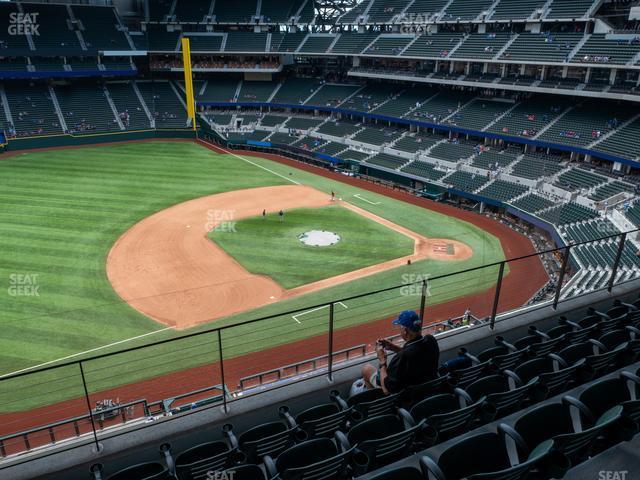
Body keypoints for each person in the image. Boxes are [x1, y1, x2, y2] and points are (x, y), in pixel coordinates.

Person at [360, 310, 439, 395]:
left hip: (408, 397)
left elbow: (387, 389)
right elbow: (415, 353)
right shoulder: (430, 340)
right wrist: (393, 348)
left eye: (400, 327)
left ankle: (378, 401)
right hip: (428, 388)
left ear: (405, 331)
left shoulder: (403, 356)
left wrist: (383, 361)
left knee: (366, 369)